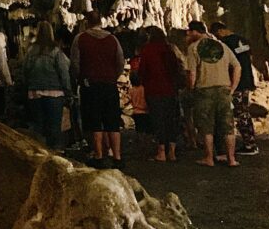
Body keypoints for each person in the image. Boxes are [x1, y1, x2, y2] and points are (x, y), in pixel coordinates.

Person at [71, 10, 125, 169]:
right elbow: (120, 61)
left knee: (94, 121)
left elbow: (75, 64)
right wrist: (113, 76)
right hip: (109, 84)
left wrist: (79, 78)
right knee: (112, 121)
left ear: (87, 23)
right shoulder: (113, 40)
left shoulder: (80, 39)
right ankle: (117, 156)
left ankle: (99, 155)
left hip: (90, 85)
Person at [185, 20, 241, 167]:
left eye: (189, 32)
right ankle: (231, 159)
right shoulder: (221, 46)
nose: (188, 35)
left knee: (206, 125)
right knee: (228, 126)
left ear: (195, 32)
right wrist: (233, 87)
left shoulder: (193, 48)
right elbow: (237, 66)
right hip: (224, 89)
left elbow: (192, 72)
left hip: (204, 90)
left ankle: (209, 158)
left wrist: (191, 89)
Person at [211, 21, 258, 155]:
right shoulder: (243, 40)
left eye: (216, 35)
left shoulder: (225, 44)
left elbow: (227, 64)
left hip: (236, 82)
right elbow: (249, 59)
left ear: (219, 31)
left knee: (239, 113)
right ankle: (250, 142)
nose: (217, 38)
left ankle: (249, 145)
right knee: (244, 112)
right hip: (247, 79)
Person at [22, 21, 72, 149]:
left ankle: (40, 153)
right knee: (54, 128)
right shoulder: (56, 52)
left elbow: (25, 71)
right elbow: (64, 73)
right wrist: (68, 93)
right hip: (54, 94)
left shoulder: (30, 51)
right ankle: (54, 154)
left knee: (38, 127)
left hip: (34, 93)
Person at [138, 26, 183, 162]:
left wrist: (143, 82)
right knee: (171, 119)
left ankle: (161, 151)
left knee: (158, 120)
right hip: (170, 89)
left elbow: (143, 71)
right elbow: (176, 68)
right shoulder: (169, 49)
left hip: (154, 90)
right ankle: (172, 152)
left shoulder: (147, 50)